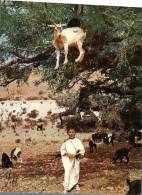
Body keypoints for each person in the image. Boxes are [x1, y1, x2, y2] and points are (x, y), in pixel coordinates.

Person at [60, 129, 85, 193]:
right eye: (69, 132)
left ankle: (76, 184)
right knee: (67, 171)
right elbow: (62, 150)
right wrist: (68, 154)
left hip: (76, 158)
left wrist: (75, 155)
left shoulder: (78, 141)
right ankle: (66, 187)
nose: (71, 133)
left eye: (72, 132)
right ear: (68, 133)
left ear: (75, 133)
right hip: (67, 159)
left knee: (76, 171)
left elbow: (82, 150)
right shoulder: (65, 141)